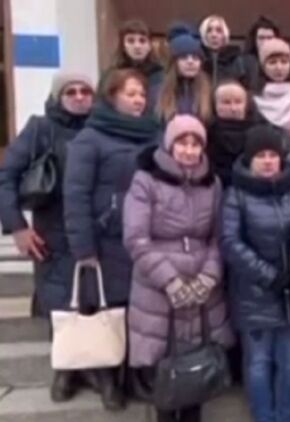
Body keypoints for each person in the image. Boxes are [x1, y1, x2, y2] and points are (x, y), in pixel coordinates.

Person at [124, 115, 234, 422]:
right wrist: (170, 280)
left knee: (197, 373)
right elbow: (136, 238)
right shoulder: (146, 180)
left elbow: (218, 237)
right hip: (158, 290)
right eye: (182, 143)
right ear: (170, 146)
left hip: (201, 290)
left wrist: (209, 276)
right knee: (165, 376)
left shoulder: (212, 183)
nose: (189, 150)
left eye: (195, 144)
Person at [64, 68, 161, 410]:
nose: (138, 101)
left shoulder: (153, 133)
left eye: (142, 94)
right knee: (108, 309)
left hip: (145, 239)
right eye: (130, 94)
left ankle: (137, 375)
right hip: (106, 241)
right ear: (111, 96)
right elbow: (76, 195)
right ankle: (108, 380)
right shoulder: (90, 138)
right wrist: (83, 247)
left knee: (140, 312)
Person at [0, 71, 94, 402]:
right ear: (58, 96)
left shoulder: (101, 129)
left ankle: (98, 369)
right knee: (59, 303)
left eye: (85, 91)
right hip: (51, 234)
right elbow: (6, 177)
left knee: (94, 302)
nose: (79, 97)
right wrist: (16, 226)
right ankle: (65, 372)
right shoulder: (40, 129)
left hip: (93, 232)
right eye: (71, 91)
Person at [221, 125, 290, 422]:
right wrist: (268, 275)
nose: (268, 161)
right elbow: (230, 242)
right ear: (250, 160)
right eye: (261, 156)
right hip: (255, 295)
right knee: (259, 364)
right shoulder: (236, 195)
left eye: (273, 155)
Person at [207, 80, 265, 187]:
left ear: (246, 104)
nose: (233, 108)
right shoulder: (206, 134)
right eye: (226, 102)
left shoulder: (261, 134)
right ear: (215, 105)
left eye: (238, 102)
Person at [98, 20, 164, 112]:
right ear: (123, 46)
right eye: (131, 41)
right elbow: (101, 106)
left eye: (142, 41)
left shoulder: (160, 76)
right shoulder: (109, 76)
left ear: (149, 46)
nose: (137, 46)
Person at [156, 23, 213, 124]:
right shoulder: (158, 90)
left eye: (195, 58)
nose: (190, 62)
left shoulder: (209, 91)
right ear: (174, 62)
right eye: (183, 57)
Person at [253, 38, 290, 137]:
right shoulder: (252, 98)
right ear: (263, 67)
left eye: (284, 62)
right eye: (272, 62)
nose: (279, 67)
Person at [199, 15, 252, 88]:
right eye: (209, 31)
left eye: (219, 31)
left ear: (225, 35)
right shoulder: (199, 58)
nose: (214, 35)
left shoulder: (236, 60)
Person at [243, 15, 281, 90]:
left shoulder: (284, 62)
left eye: (269, 38)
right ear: (254, 40)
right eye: (261, 38)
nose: (265, 42)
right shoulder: (243, 63)